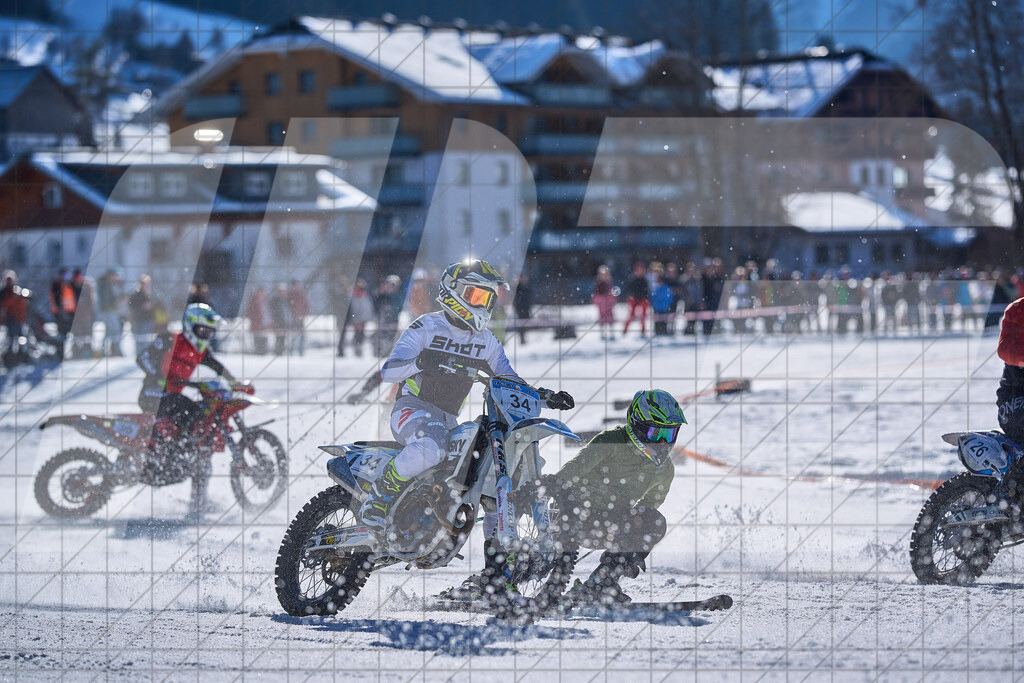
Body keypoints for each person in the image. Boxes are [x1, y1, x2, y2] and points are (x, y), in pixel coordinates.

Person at [360, 259, 574, 550]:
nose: (484, 304)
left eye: (488, 298)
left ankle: (495, 573)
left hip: (447, 419)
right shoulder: (426, 326)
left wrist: (542, 396)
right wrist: (422, 361)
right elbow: (389, 371)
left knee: (482, 470)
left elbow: (508, 378)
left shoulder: (485, 341)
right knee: (432, 445)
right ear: (454, 291)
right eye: (477, 296)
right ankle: (378, 498)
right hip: (412, 409)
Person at [448, 389, 686, 605]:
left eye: (669, 434)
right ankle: (485, 582)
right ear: (637, 425)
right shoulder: (611, 442)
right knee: (543, 561)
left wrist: (633, 549)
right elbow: (565, 478)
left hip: (608, 523)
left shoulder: (664, 470)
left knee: (654, 521)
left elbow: (646, 510)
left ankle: (601, 585)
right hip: (571, 515)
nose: (663, 443)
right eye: (656, 434)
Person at [136, 303, 238, 448]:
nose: (206, 335)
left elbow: (217, 367)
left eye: (209, 332)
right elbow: (142, 358)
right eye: (203, 331)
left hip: (172, 397)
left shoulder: (198, 351)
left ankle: (190, 451)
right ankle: (180, 452)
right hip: (152, 394)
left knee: (201, 413)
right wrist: (158, 378)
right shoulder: (169, 340)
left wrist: (233, 381)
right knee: (188, 410)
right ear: (191, 326)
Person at [97, 268, 125, 356]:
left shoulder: (109, 284)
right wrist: (116, 302)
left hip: (111, 311)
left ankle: (109, 351)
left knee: (111, 332)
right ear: (110, 275)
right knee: (113, 331)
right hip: (108, 311)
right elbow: (106, 301)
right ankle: (115, 351)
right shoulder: (105, 285)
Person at [622, 262, 650, 337]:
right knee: (631, 315)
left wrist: (644, 298)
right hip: (634, 299)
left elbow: (646, 291)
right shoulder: (632, 279)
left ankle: (643, 330)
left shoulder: (644, 279)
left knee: (643, 315)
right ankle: (625, 330)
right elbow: (629, 290)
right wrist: (632, 298)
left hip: (642, 299)